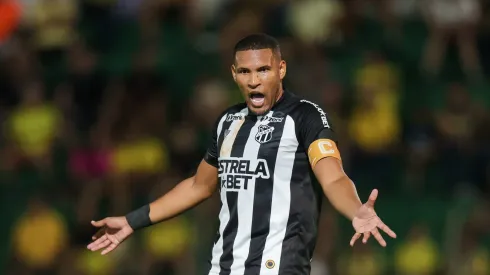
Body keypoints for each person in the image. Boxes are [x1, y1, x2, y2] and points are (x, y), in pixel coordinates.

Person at [87, 33, 397, 275]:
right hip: (224, 266)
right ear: (234, 74)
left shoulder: (305, 117)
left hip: (279, 267)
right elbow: (199, 186)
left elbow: (333, 177)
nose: (254, 80)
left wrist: (356, 210)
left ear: (281, 69)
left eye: (263, 70)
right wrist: (132, 220)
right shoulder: (227, 122)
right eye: (245, 72)